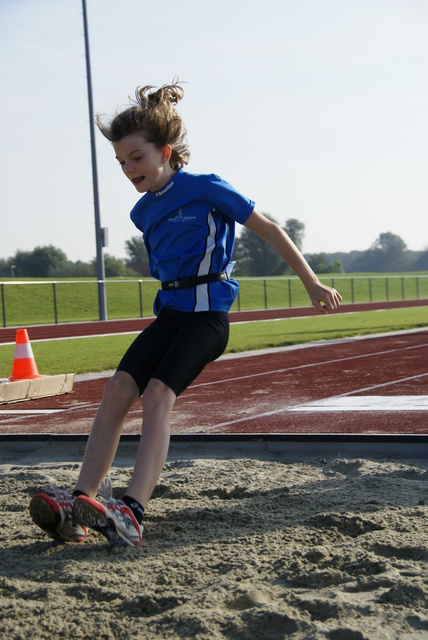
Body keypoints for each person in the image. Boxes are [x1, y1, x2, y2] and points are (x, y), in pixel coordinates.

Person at [29, 80, 342, 547]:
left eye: (136, 157)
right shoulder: (142, 214)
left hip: (208, 318)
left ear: (166, 151)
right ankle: (80, 504)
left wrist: (312, 282)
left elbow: (272, 231)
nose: (128, 168)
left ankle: (131, 513)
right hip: (172, 316)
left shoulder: (207, 188)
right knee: (117, 389)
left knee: (157, 395)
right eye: (120, 162)